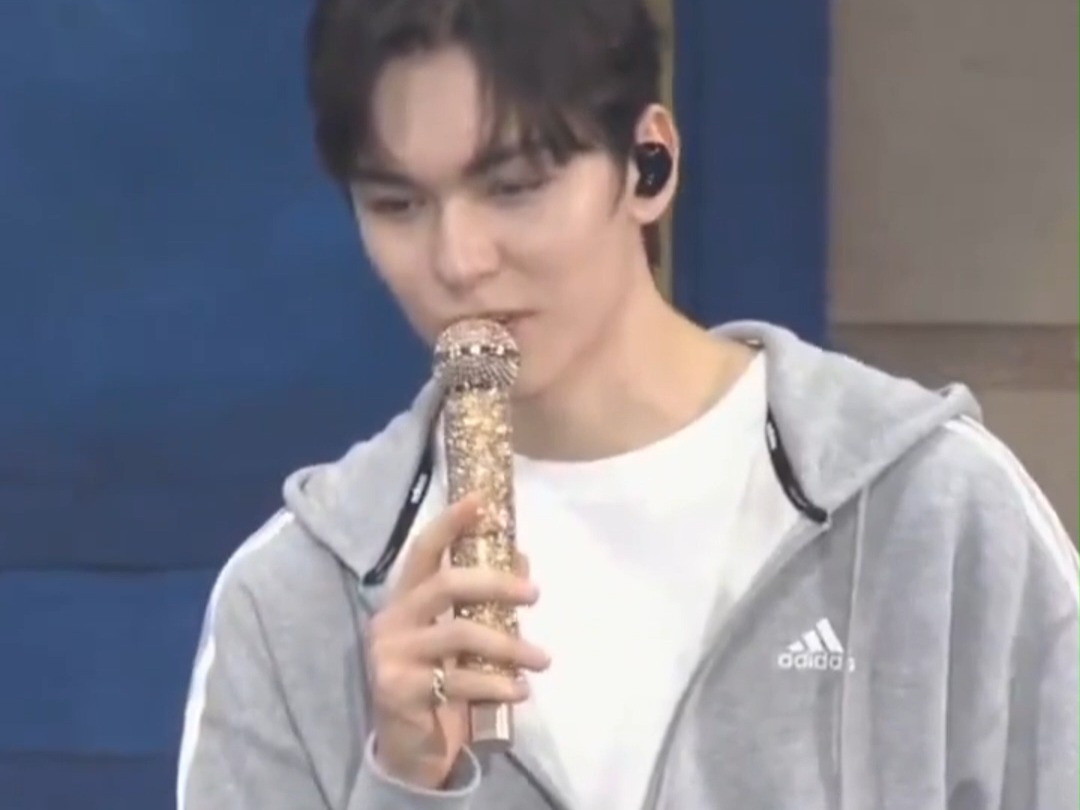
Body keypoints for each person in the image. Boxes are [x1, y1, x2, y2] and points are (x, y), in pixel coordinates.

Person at [176, 0, 1079, 807]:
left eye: (514, 187)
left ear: (649, 164)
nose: (459, 260)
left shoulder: (930, 509)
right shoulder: (294, 601)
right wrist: (405, 785)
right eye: (399, 203)